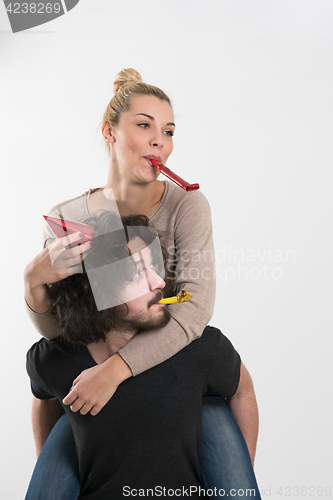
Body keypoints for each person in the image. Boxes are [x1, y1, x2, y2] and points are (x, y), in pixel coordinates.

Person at [24, 68, 260, 499]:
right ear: (109, 132)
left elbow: (192, 306)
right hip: (94, 380)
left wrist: (116, 371)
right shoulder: (70, 215)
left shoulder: (187, 205)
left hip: (178, 379)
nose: (160, 142)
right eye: (144, 125)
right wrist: (33, 282)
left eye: (168, 131)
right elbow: (68, 326)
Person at [26, 211, 258, 499]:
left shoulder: (199, 348)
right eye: (137, 273)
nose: (159, 282)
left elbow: (241, 390)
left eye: (154, 266)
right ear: (96, 292)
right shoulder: (52, 359)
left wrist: (238, 480)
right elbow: (44, 397)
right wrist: (48, 469)